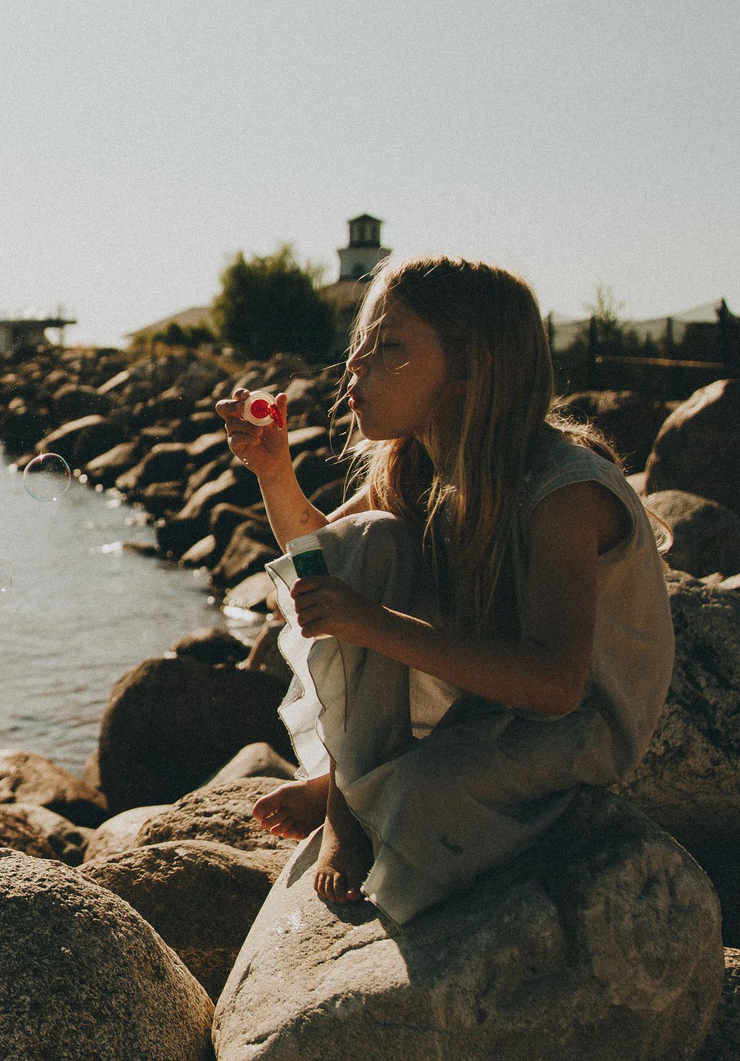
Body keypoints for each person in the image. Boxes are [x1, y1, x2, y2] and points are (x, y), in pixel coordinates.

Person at [233, 255, 674, 924]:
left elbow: (556, 685)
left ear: (472, 369)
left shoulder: (564, 492)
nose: (354, 365)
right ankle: (349, 798)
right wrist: (273, 471)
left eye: (388, 346)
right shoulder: (419, 462)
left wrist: (371, 622)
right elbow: (327, 555)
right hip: (481, 696)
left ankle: (357, 791)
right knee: (370, 540)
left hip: (577, 723)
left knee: (418, 800)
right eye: (358, 345)